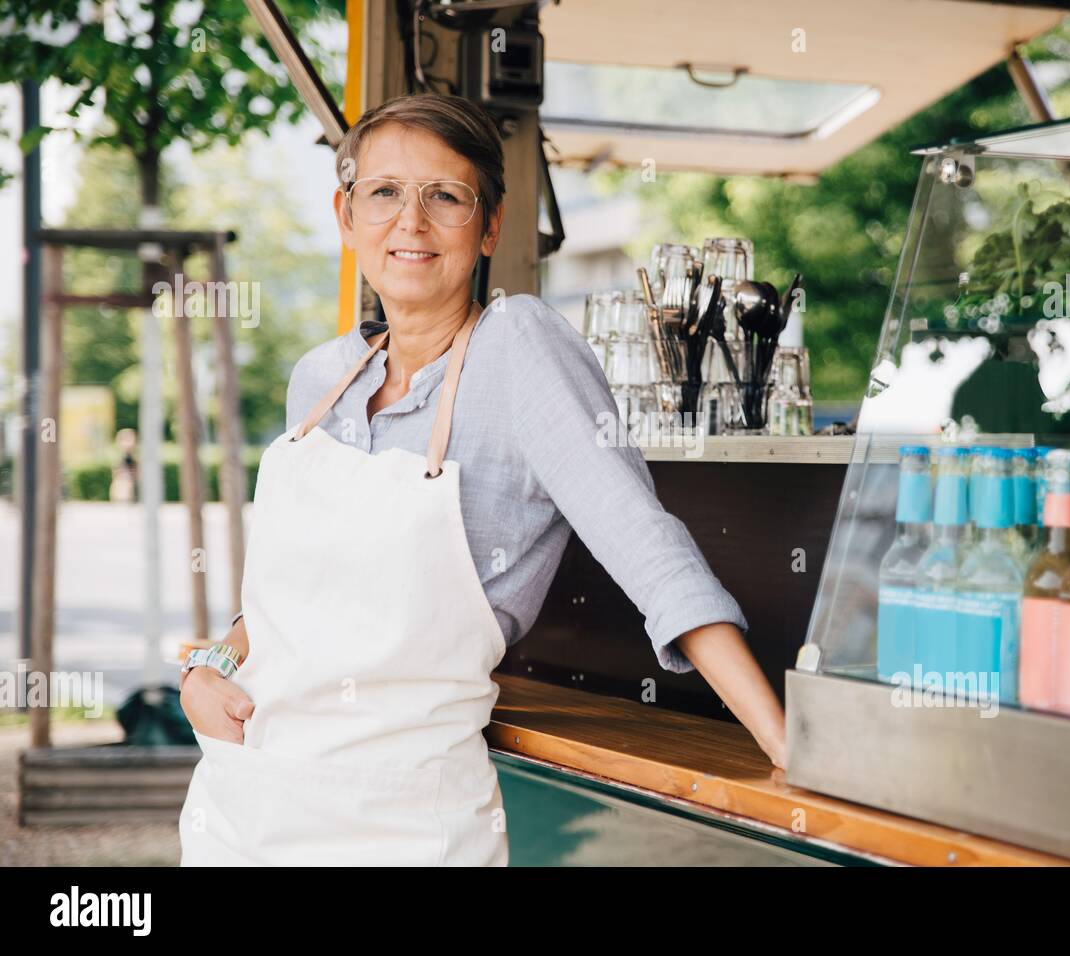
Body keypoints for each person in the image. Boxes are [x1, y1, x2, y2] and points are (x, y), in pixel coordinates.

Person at [177, 92, 785, 866]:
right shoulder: (320, 378)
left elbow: (648, 548)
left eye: (446, 197)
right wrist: (211, 667)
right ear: (346, 214)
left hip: (403, 827)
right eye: (385, 193)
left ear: (490, 224)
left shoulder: (519, 350)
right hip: (245, 806)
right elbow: (282, 602)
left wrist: (781, 740)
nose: (411, 221)